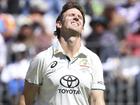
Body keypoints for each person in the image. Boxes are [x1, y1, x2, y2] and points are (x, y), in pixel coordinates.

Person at [23, 2, 106, 105]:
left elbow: (97, 100)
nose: (76, 18)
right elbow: (26, 100)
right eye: (71, 15)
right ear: (59, 24)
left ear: (82, 28)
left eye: (79, 17)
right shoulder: (42, 59)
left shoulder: (93, 60)